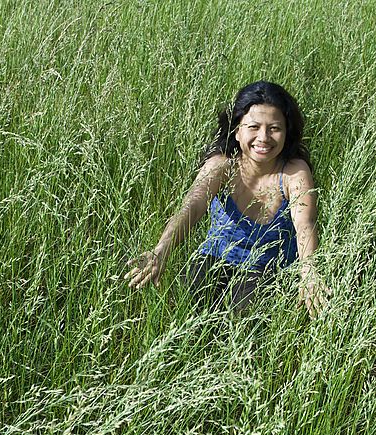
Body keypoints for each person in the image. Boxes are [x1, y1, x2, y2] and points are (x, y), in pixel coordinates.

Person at [124, 80, 329, 317]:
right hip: (215, 258)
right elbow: (192, 207)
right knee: (184, 310)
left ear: (286, 133)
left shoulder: (294, 172)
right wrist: (161, 250)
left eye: (274, 128)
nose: (263, 137)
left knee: (243, 318)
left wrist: (309, 271)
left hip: (268, 267)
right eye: (253, 127)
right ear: (237, 130)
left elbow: (305, 223)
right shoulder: (222, 165)